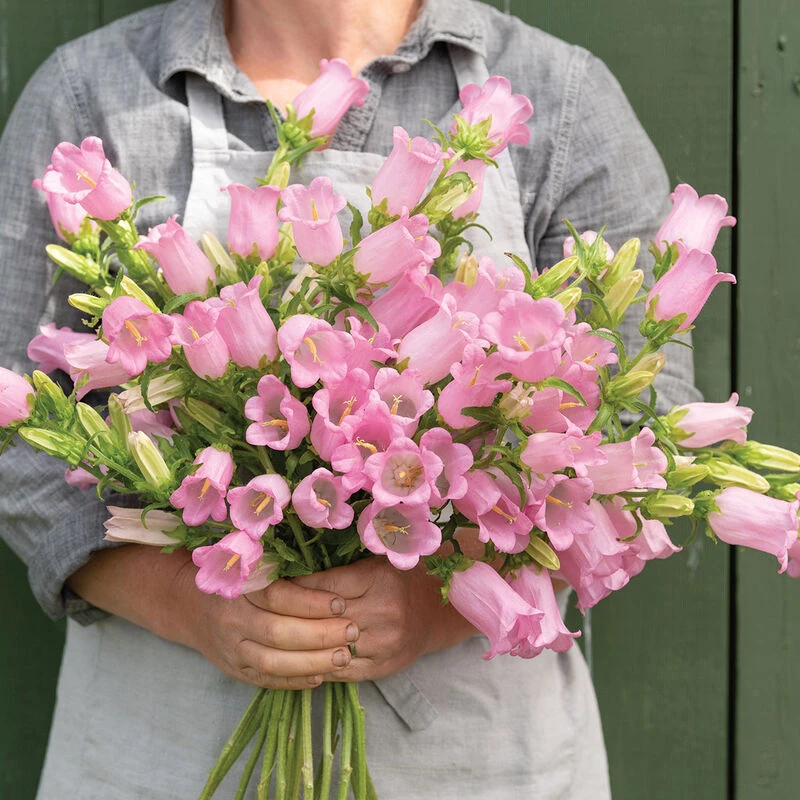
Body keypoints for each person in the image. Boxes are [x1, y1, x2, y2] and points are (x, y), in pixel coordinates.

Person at [0, 0, 700, 797]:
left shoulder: (563, 94)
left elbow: (636, 434)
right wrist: (184, 604)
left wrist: (439, 603)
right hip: (163, 750)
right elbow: (16, 435)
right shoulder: (91, 88)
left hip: (472, 762)